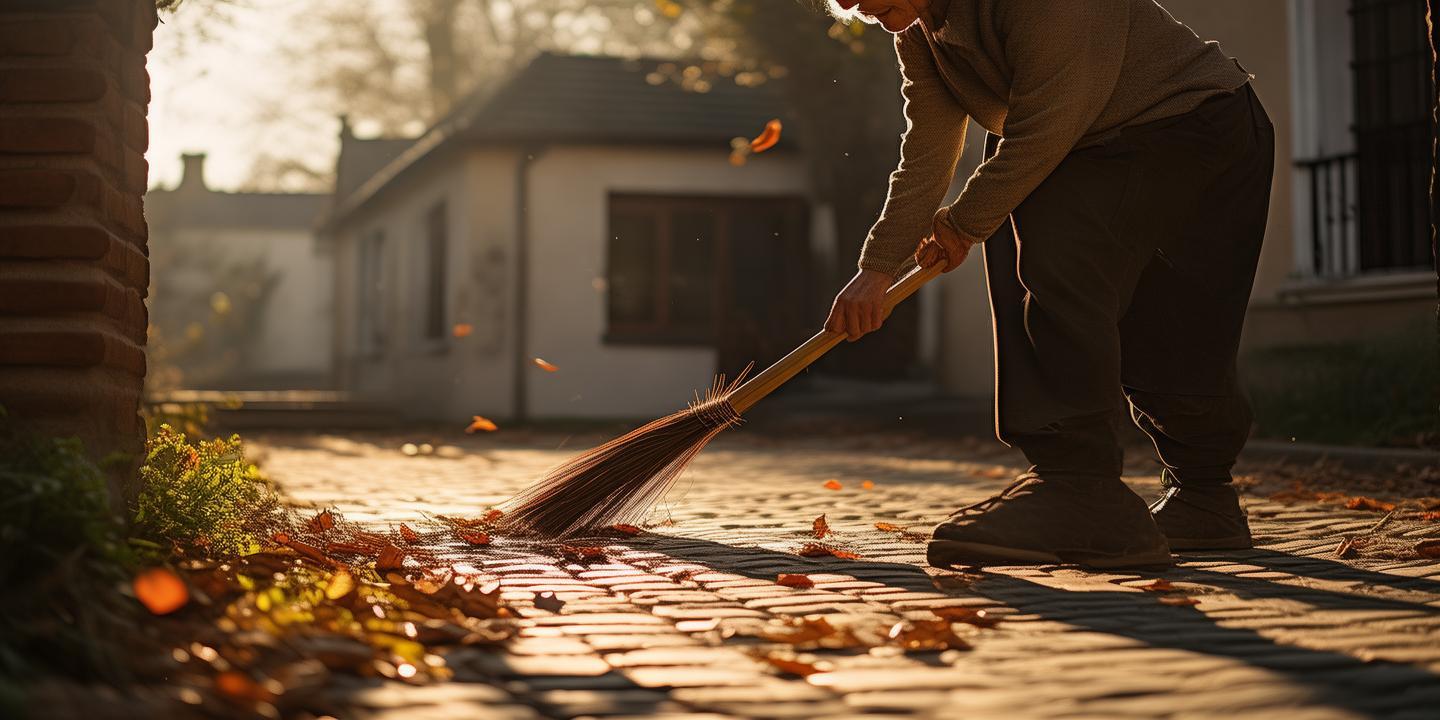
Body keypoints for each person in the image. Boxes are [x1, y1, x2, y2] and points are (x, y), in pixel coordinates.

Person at [822, 0, 1274, 568]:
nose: (855, 7)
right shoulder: (918, 27)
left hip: (1190, 127)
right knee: (1110, 304)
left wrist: (964, 223)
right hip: (1092, 141)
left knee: (1114, 293)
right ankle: (1202, 502)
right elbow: (929, 148)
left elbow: (1051, 120)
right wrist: (878, 268)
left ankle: (1082, 491)